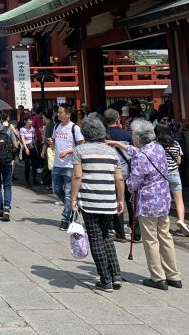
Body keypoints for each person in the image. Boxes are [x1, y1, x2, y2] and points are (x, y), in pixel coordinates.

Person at [111, 119, 182, 290]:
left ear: (138, 137)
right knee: (165, 236)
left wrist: (125, 183)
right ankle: (173, 275)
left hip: (148, 202)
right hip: (163, 200)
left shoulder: (141, 157)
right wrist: (120, 145)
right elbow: (136, 151)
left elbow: (133, 183)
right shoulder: (157, 148)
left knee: (150, 240)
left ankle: (158, 277)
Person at [70, 114, 124, 292]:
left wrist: (73, 197)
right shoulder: (111, 151)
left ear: (85, 132)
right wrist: (120, 199)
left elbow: (78, 176)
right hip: (108, 199)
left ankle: (105, 279)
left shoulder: (80, 150)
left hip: (90, 200)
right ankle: (116, 274)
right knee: (107, 235)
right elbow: (119, 178)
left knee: (95, 237)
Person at [104, 108, 139, 242]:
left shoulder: (104, 135)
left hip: (112, 172)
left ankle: (120, 233)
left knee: (116, 202)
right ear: (118, 119)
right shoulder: (126, 135)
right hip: (128, 172)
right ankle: (135, 233)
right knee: (131, 203)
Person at [50, 104, 84, 230]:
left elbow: (81, 147)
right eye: (58, 112)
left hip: (70, 165)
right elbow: (54, 142)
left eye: (60, 112)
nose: (58, 115)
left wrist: (68, 152)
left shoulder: (75, 128)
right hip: (57, 164)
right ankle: (73, 207)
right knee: (57, 190)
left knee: (69, 194)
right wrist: (51, 143)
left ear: (68, 114)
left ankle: (65, 218)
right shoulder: (57, 126)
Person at [154, 123, 189, 237]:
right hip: (174, 173)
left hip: (161, 175)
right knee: (179, 200)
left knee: (162, 200)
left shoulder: (155, 145)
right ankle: (181, 220)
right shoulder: (176, 143)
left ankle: (162, 223)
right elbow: (179, 161)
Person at [0, 116, 20, 221]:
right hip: (7, 161)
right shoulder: (8, 129)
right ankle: (7, 208)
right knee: (7, 186)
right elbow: (16, 145)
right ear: (2, 119)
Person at [19, 114, 41, 186]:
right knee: (27, 164)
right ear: (25, 121)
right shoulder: (22, 129)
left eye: (31, 120)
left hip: (33, 147)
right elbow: (22, 140)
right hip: (26, 148)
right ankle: (27, 180)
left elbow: (34, 138)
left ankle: (34, 179)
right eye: (30, 120)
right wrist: (26, 148)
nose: (31, 121)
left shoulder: (33, 129)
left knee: (34, 164)